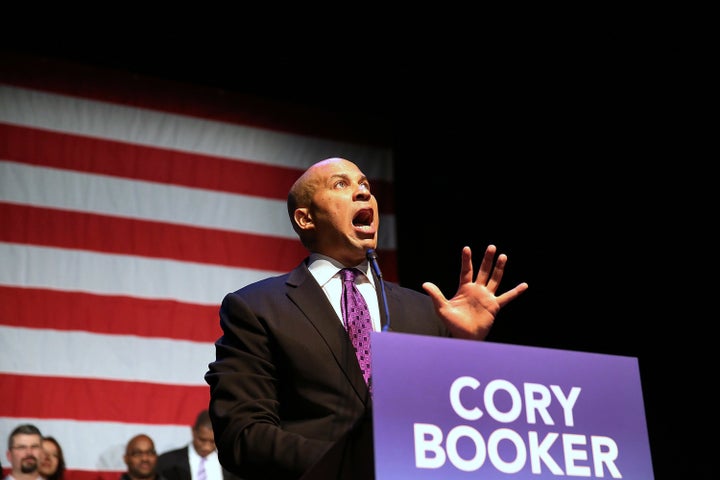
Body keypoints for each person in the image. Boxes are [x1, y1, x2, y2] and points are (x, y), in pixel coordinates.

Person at [204, 157, 529, 479]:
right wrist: (355, 463)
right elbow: (242, 436)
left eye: (365, 185)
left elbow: (463, 423)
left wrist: (465, 346)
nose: (362, 192)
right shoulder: (257, 307)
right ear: (305, 218)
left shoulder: (426, 312)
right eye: (341, 184)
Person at [156, 410, 241, 480]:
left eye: (212, 442)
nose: (207, 447)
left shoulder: (232, 464)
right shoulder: (167, 461)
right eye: (202, 440)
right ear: (194, 432)